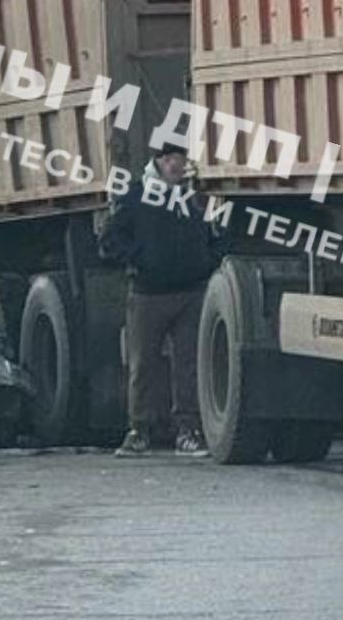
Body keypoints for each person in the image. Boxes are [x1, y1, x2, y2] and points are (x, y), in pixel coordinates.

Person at [98, 141, 227, 458]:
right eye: (169, 159)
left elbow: (217, 234)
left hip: (190, 292)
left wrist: (206, 261)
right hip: (147, 293)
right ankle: (139, 430)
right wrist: (138, 260)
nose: (175, 166)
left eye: (180, 160)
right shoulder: (136, 196)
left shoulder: (195, 198)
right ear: (157, 161)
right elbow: (110, 239)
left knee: (189, 364)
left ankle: (188, 430)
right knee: (143, 364)